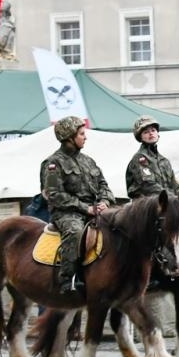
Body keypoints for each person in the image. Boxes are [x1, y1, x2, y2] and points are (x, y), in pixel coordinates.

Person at [40, 115, 113, 295]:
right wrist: (84, 208)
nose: (85, 137)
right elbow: (54, 194)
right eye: (81, 134)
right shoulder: (53, 163)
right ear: (69, 138)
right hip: (66, 213)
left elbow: (104, 185)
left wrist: (104, 202)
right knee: (75, 232)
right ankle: (68, 279)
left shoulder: (88, 161)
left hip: (95, 209)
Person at [125, 116, 179, 201]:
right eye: (146, 132)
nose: (151, 134)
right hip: (145, 205)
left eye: (153, 130)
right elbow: (147, 184)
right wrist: (170, 197)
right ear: (140, 137)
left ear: (157, 133)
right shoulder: (140, 158)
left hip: (167, 202)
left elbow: (175, 184)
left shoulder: (164, 161)